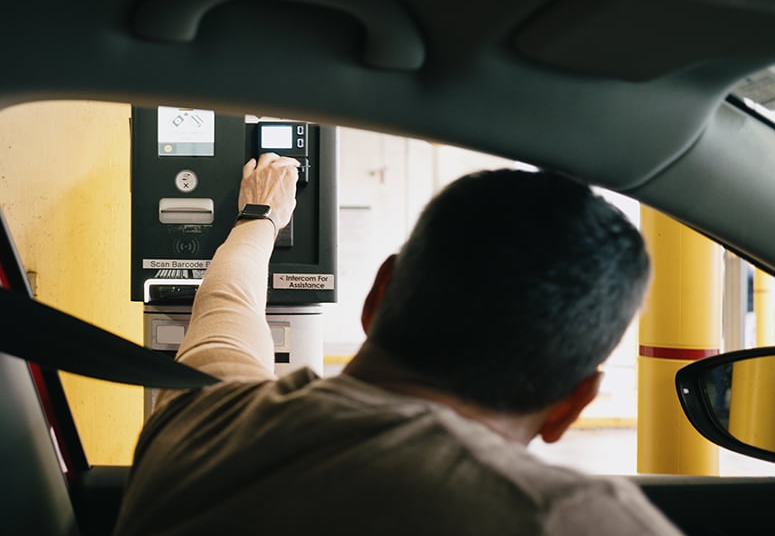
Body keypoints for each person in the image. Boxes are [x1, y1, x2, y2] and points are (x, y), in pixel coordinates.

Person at [114, 153, 683, 536]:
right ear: (573, 405)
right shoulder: (567, 517)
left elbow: (224, 303)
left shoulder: (196, 416)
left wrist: (260, 215)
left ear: (378, 295)